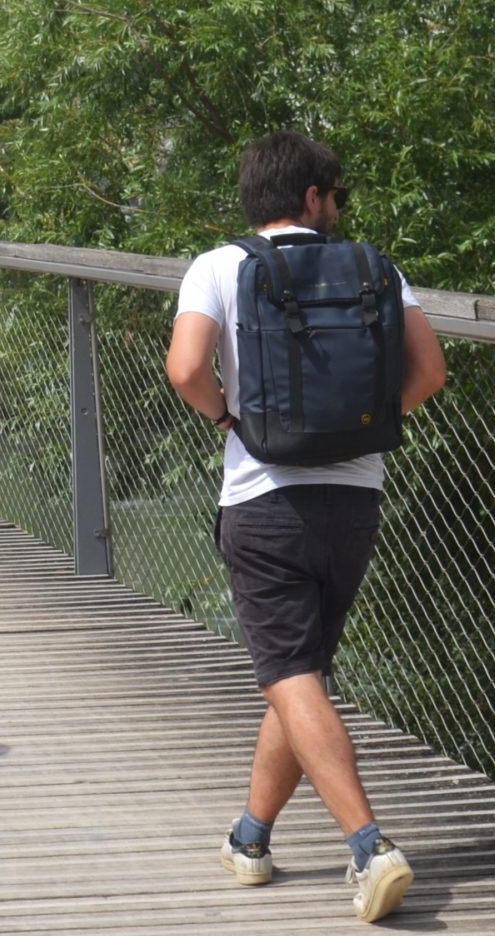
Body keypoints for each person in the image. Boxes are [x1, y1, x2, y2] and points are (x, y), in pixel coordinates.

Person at [165, 132, 445, 923]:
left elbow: (186, 369)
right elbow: (430, 372)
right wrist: (363, 431)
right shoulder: (374, 268)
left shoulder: (218, 265)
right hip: (353, 501)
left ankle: (370, 847)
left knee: (290, 675)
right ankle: (250, 839)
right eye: (337, 194)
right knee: (303, 672)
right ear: (314, 197)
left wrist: (229, 419)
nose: (340, 209)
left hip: (263, 498)